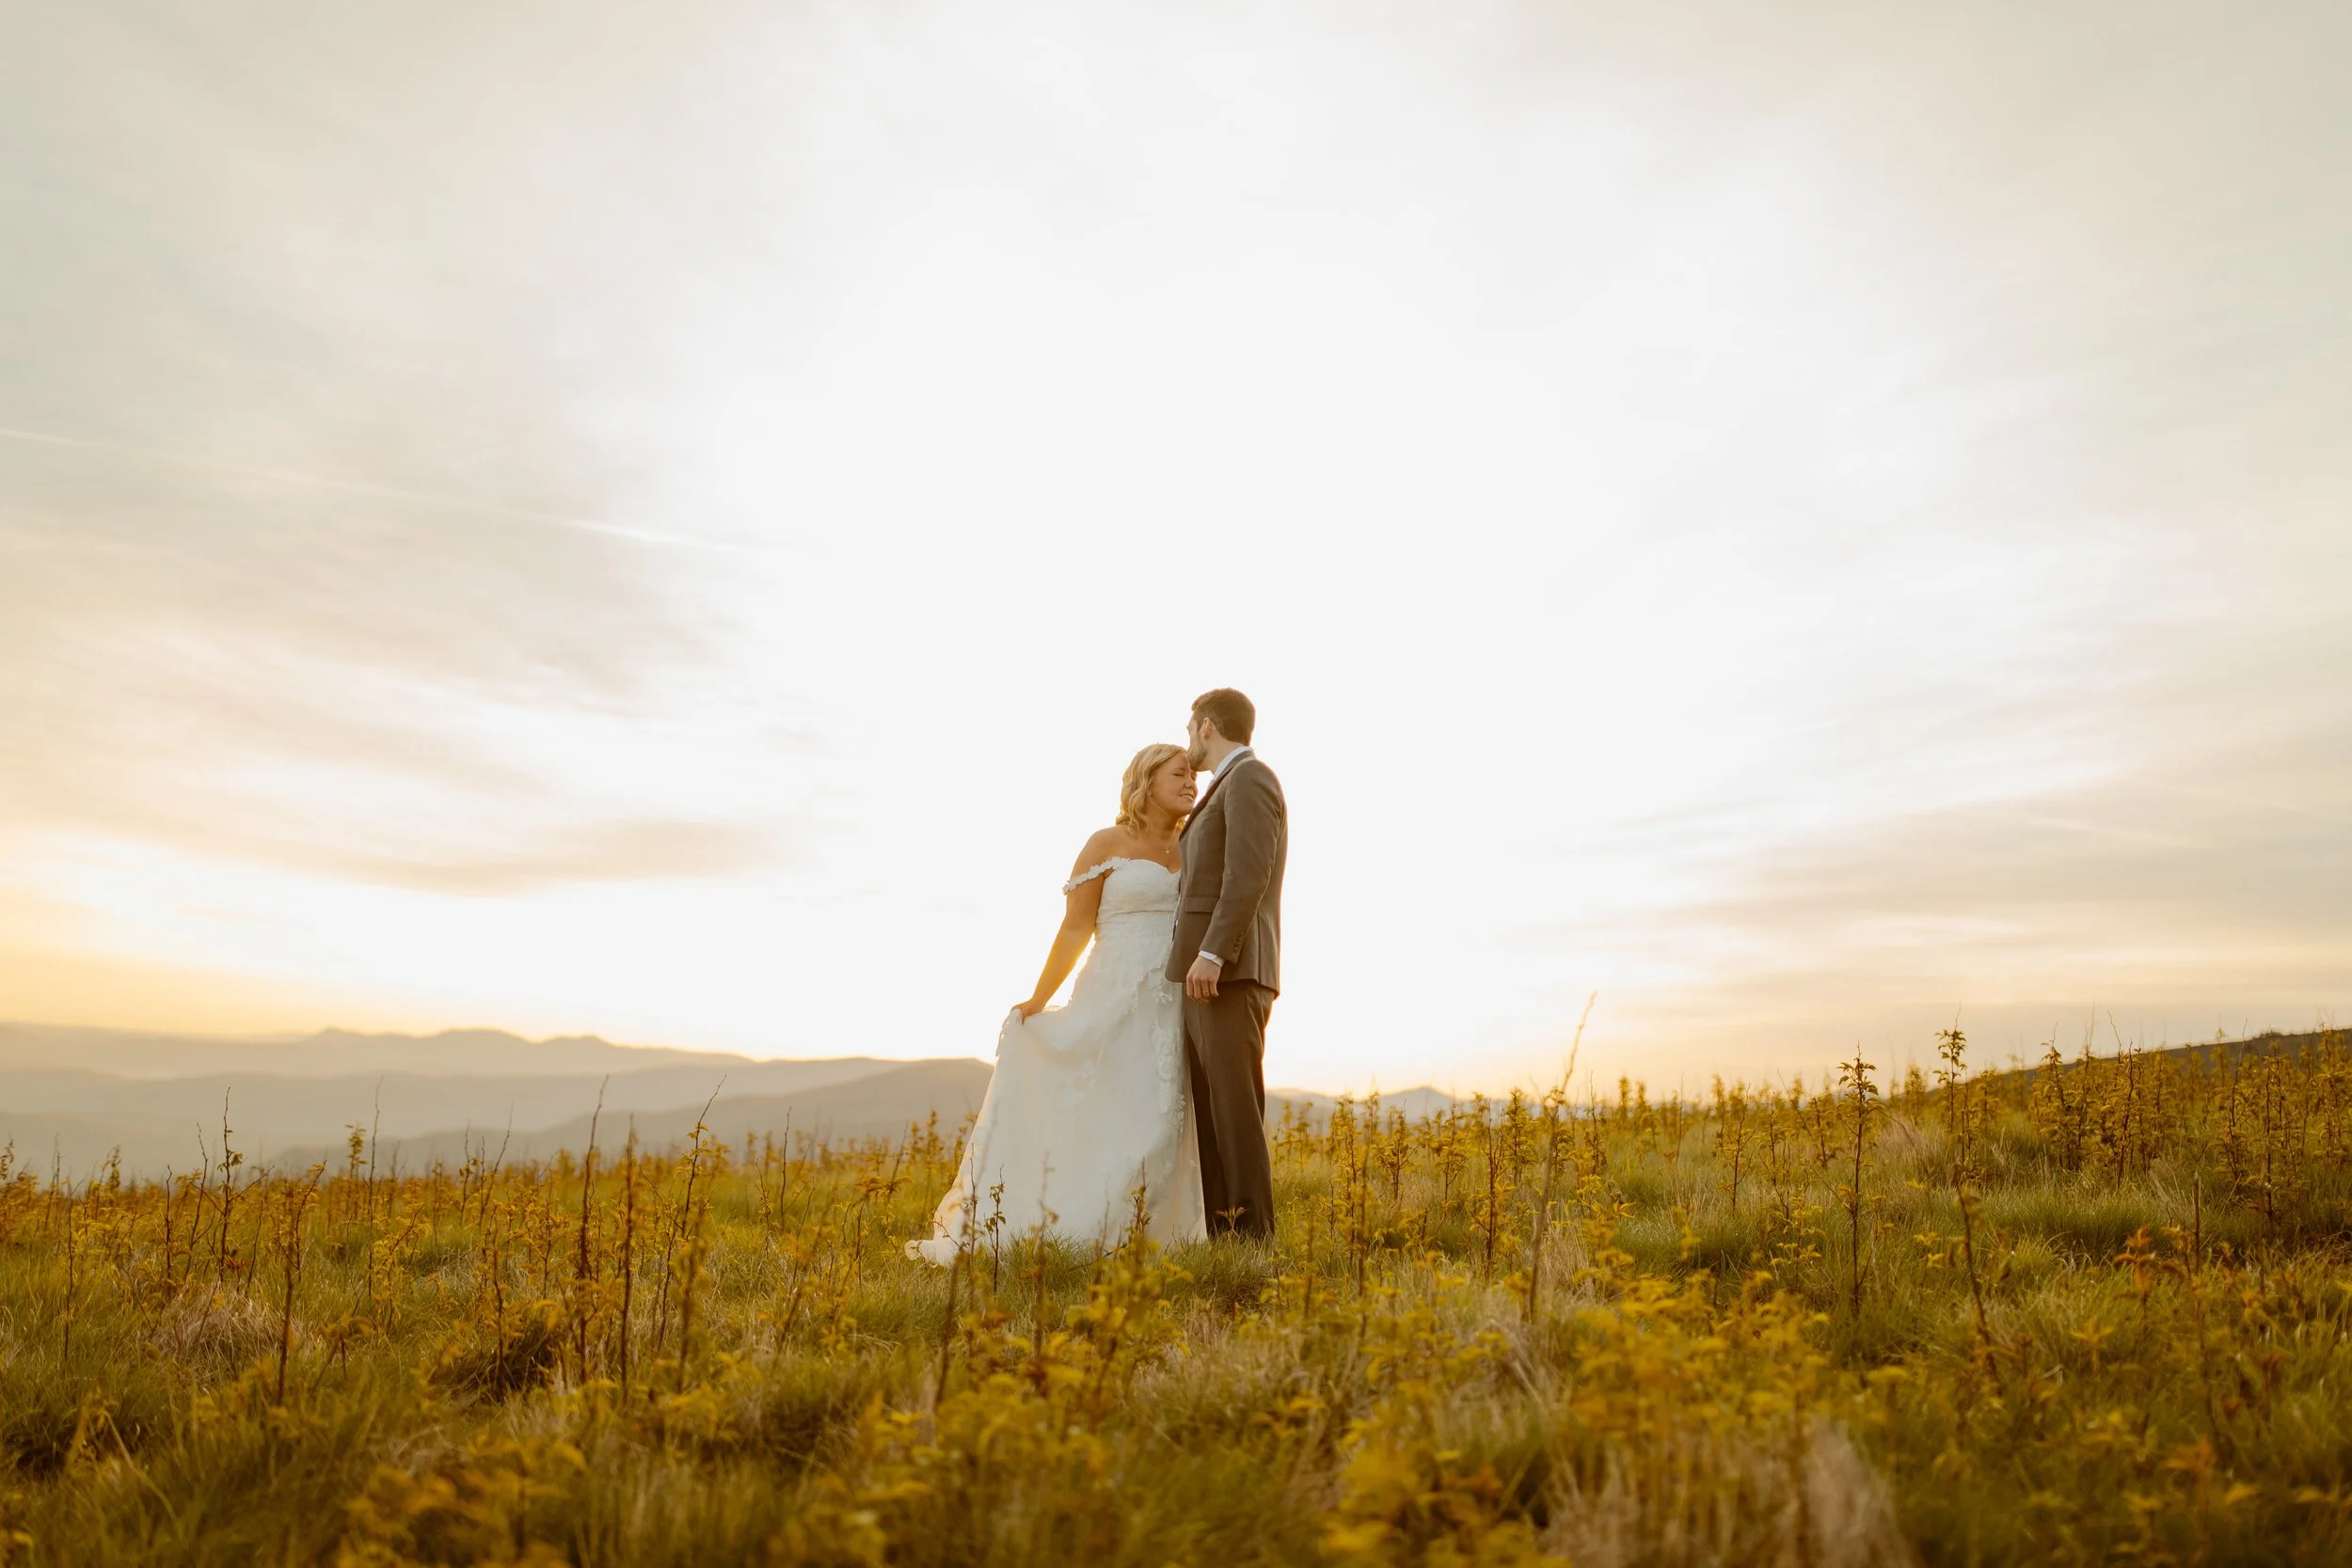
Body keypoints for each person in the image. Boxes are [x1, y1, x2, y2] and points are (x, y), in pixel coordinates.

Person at [908, 743, 1206, 1262]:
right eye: (1179, 774)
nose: (1190, 783)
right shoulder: (1105, 842)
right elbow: (1075, 927)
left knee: (1158, 1116)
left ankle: (1144, 1239)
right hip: (1111, 992)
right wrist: (1040, 998)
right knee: (1101, 1113)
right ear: (1145, 780)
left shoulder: (1195, 843)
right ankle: (1076, 1229)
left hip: (1171, 1002)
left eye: (1192, 776)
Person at [1167, 688, 1286, 1240]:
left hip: (1230, 973)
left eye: (1191, 729)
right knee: (1214, 1117)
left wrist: (1212, 953)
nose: (1190, 739)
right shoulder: (1224, 788)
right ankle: (1226, 1241)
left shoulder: (1249, 779)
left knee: (1235, 1116)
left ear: (1207, 726)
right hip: (1207, 976)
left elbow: (1247, 876)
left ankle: (1253, 1244)